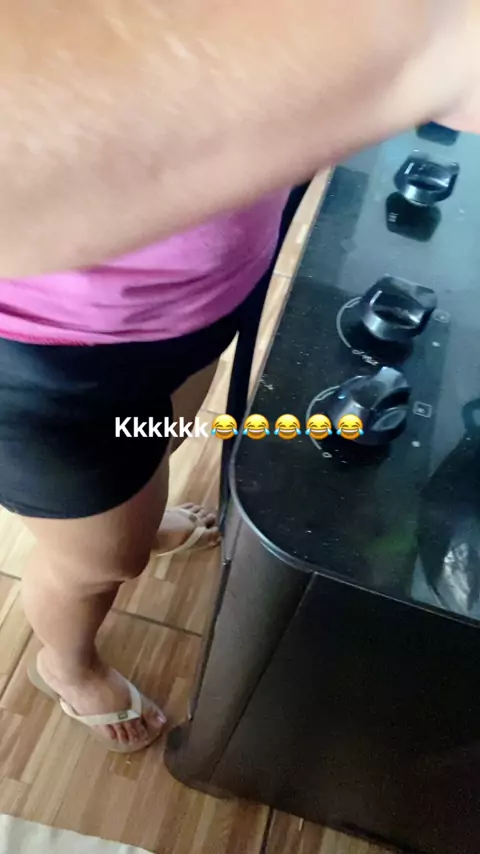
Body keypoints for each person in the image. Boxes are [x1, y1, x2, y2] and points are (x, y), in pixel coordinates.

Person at [0, 0, 479, 753]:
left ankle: (135, 500)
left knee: (159, 432)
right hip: (40, 363)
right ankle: (66, 664)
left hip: (199, 299)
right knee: (102, 560)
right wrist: (423, 45)